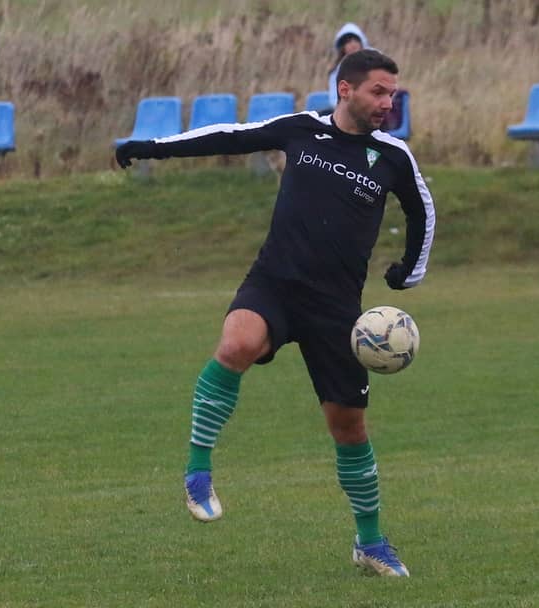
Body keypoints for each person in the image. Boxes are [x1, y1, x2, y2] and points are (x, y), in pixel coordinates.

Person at [115, 49, 435, 578]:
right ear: (346, 89)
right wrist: (154, 147)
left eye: (393, 95)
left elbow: (422, 210)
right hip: (275, 284)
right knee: (237, 344)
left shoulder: (393, 156)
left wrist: (409, 271)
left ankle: (370, 542)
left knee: (349, 428)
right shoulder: (301, 129)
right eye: (379, 92)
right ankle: (197, 470)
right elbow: (230, 136)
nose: (388, 103)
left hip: (336, 309)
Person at [326, 23, 371, 110]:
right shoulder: (337, 71)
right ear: (342, 47)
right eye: (349, 42)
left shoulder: (374, 62)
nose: (353, 44)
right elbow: (334, 99)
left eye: (356, 41)